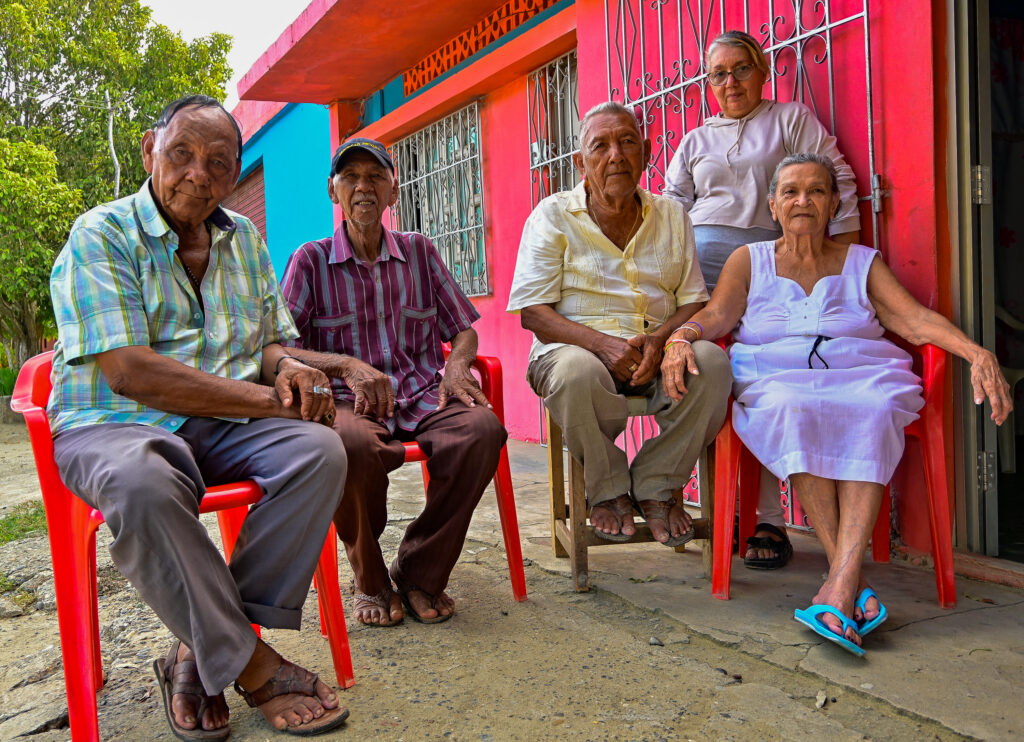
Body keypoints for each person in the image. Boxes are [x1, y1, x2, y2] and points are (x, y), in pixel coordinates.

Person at [49, 95, 351, 738]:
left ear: (234, 173)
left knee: (319, 452)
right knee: (142, 485)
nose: (199, 174)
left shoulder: (244, 240)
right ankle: (254, 664)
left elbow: (267, 342)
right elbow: (130, 373)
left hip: (218, 420)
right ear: (148, 149)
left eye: (218, 162)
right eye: (181, 153)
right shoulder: (100, 233)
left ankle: (198, 650)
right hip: (112, 421)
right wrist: (270, 398)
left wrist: (289, 369)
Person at [660, 152, 1013, 655]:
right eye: (791, 191)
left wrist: (977, 353)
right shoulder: (750, 261)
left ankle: (839, 588)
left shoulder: (861, 262)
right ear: (773, 206)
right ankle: (848, 581)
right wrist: (681, 338)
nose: (803, 200)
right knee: (792, 407)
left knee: (873, 409)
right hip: (777, 378)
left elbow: (913, 320)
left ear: (833, 205)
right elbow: (718, 314)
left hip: (862, 373)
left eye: (816, 191)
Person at [280, 137, 507, 627]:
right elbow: (280, 347)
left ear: (393, 191)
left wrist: (457, 366)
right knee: (348, 446)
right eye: (351, 178)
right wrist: (345, 366)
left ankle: (420, 570)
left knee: (482, 431)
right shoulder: (310, 261)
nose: (363, 187)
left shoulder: (419, 251)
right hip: (347, 401)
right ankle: (370, 578)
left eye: (375, 177)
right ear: (332, 190)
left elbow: (462, 328)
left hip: (426, 392)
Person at [664, 29, 862, 569]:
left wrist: (835, 260)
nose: (730, 82)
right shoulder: (696, 138)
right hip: (699, 271)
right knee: (697, 372)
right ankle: (707, 503)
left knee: (766, 376)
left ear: (762, 71)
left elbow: (834, 176)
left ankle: (768, 517)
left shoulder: (789, 118)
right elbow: (670, 206)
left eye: (741, 69)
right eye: (718, 74)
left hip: (770, 263)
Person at [508, 101, 731, 546]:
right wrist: (603, 346)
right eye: (601, 145)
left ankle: (657, 482)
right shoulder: (552, 215)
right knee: (576, 372)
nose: (616, 155)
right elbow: (533, 312)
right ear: (581, 162)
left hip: (657, 350)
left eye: (627, 142)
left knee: (712, 364)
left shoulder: (671, 216)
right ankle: (607, 489)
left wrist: (661, 340)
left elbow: (692, 302)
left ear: (646, 152)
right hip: (575, 353)